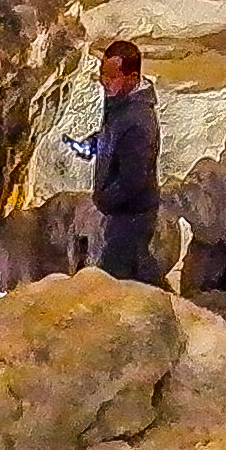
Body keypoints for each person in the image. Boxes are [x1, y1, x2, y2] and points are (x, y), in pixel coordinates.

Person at [89, 41, 163, 282]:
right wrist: (97, 144)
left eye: (111, 76)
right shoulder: (119, 102)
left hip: (132, 216)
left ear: (131, 78)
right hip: (122, 212)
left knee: (121, 278)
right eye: (103, 74)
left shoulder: (140, 120)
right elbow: (115, 137)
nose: (104, 81)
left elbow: (133, 181)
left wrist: (103, 200)